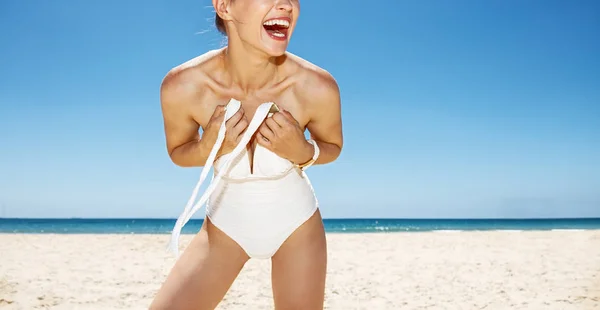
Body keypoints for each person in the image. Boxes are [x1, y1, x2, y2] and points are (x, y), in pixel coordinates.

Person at [149, 0, 343, 308]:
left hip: (297, 227)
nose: (287, 4)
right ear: (224, 6)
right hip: (223, 229)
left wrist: (304, 151)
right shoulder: (183, 86)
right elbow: (178, 151)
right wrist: (208, 148)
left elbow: (333, 146)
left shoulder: (317, 86)